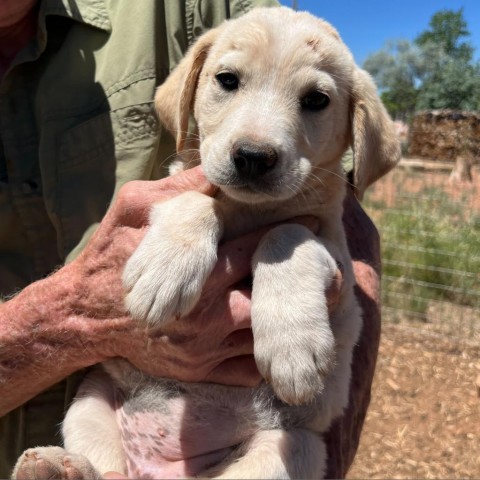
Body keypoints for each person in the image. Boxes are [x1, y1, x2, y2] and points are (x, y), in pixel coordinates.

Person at [0, 0, 382, 478]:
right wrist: (191, 219)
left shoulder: (208, 9)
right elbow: (188, 198)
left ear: (353, 130)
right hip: (121, 424)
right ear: (192, 91)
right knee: (91, 403)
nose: (257, 144)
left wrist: (292, 252)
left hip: (255, 439)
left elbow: (346, 247)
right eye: (229, 81)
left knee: (296, 451)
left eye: (315, 100)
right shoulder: (186, 210)